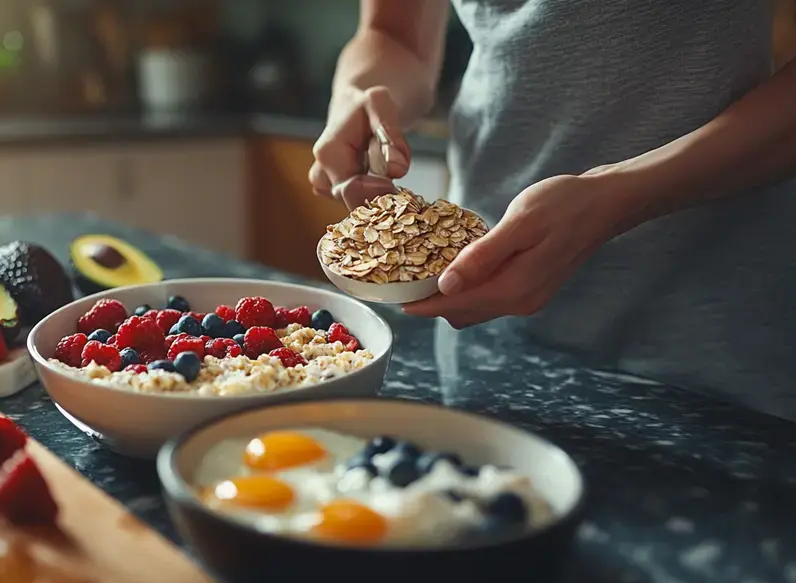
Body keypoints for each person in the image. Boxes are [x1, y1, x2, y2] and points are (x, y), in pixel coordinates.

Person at [311, 0, 796, 420]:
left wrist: (623, 194)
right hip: (486, 314)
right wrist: (359, 94)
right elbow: (393, 37)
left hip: (709, 330)